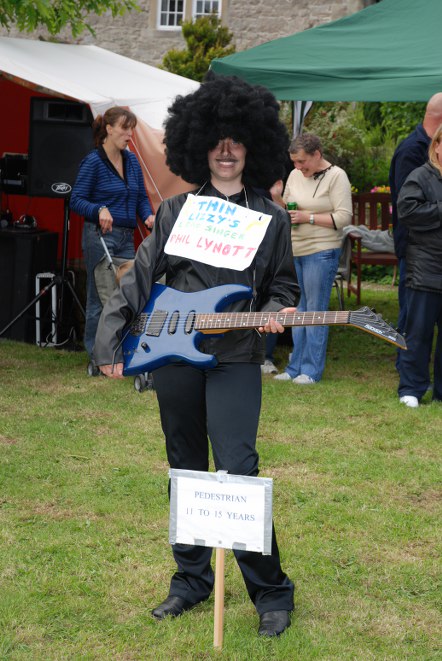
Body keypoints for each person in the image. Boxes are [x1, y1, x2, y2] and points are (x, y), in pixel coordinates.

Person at [93, 74, 297, 637]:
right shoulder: (178, 211)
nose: (226, 150)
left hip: (235, 355)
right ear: (199, 146)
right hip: (176, 355)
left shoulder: (271, 218)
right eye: (216, 141)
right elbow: (140, 277)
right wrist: (109, 339)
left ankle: (271, 592)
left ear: (252, 147)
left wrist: (275, 311)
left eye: (236, 140)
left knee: (238, 469)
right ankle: (190, 580)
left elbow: (285, 284)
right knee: (184, 466)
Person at [70, 106, 154, 370]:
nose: (130, 134)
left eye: (132, 129)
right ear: (108, 129)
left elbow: (141, 198)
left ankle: (121, 352)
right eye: (125, 128)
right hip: (100, 237)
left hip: (127, 238)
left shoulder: (132, 161)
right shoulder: (93, 161)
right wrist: (99, 209)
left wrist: (148, 216)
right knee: (100, 297)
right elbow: (76, 199)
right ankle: (98, 356)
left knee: (126, 295)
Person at [274, 133, 352, 384]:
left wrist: (307, 217)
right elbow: (288, 210)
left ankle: (311, 371)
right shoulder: (295, 175)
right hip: (296, 250)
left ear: (317, 154)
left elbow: (343, 217)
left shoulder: (337, 176)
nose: (298, 167)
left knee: (315, 311)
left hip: (322, 250)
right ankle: (294, 368)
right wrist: (276, 197)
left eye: (302, 161)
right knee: (300, 310)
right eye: (294, 162)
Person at [389, 93, 442, 353]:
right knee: (413, 322)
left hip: (433, 254)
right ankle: (407, 368)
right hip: (416, 253)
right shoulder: (412, 151)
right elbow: (407, 209)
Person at [396, 125, 442, 408]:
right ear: (437, 145)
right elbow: (407, 212)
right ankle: (411, 388)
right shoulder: (420, 176)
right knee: (418, 333)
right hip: (425, 269)